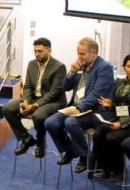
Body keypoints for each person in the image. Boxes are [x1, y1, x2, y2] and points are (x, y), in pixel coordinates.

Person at [43, 37, 114, 172]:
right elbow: (65, 87)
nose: (79, 57)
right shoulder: (81, 65)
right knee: (50, 123)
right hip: (76, 106)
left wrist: (79, 108)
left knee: (70, 122)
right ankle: (70, 150)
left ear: (93, 53)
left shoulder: (104, 68)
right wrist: (72, 72)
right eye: (78, 53)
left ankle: (85, 156)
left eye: (82, 54)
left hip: (94, 110)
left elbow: (96, 94)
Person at [0, 37, 66, 158]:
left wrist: (34, 105)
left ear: (49, 50)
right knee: (7, 108)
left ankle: (41, 143)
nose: (37, 54)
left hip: (54, 101)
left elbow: (54, 92)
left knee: (38, 116)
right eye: (35, 51)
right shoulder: (31, 64)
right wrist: (25, 102)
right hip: (34, 99)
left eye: (40, 51)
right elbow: (28, 86)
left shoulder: (59, 67)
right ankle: (27, 138)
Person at [91, 54, 130, 180]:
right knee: (98, 134)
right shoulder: (119, 83)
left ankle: (118, 171)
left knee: (111, 137)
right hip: (118, 120)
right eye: (129, 66)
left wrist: (121, 124)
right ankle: (105, 167)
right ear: (124, 67)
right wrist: (110, 105)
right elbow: (118, 105)